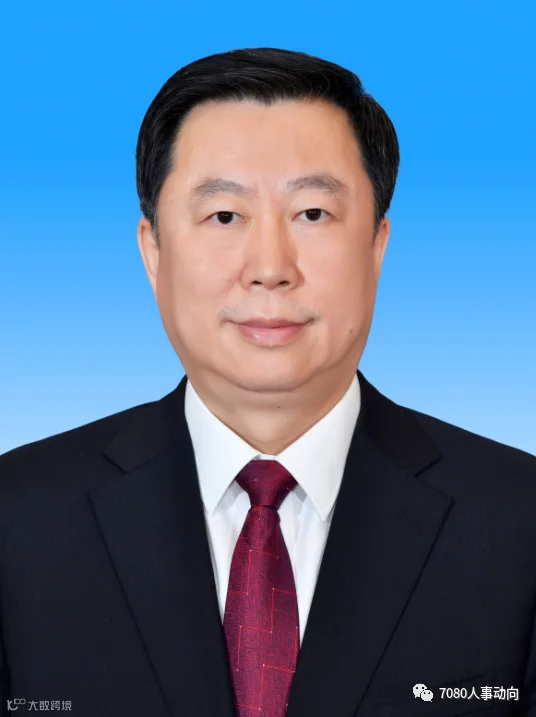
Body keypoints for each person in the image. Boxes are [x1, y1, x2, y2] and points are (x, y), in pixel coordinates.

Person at [0, 46, 535, 717]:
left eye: (312, 213)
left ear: (377, 246)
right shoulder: (17, 518)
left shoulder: (519, 520)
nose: (270, 267)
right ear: (152, 250)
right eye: (225, 216)